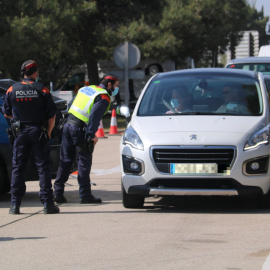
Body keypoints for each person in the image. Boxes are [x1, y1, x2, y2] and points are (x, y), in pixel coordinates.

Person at [2, 60, 59, 215]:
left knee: (17, 168)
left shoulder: (12, 90)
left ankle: (15, 206)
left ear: (23, 73)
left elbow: (6, 112)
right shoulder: (43, 90)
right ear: (35, 72)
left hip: (20, 133)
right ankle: (48, 205)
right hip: (38, 132)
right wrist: (48, 132)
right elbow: (52, 115)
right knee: (43, 168)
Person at [53, 74, 119, 204]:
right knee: (83, 162)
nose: (116, 90)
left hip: (68, 125)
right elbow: (94, 117)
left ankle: (57, 193)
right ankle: (85, 195)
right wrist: (91, 135)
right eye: (116, 86)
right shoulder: (103, 97)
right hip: (80, 130)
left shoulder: (86, 89)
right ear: (109, 84)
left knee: (65, 160)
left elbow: (71, 104)